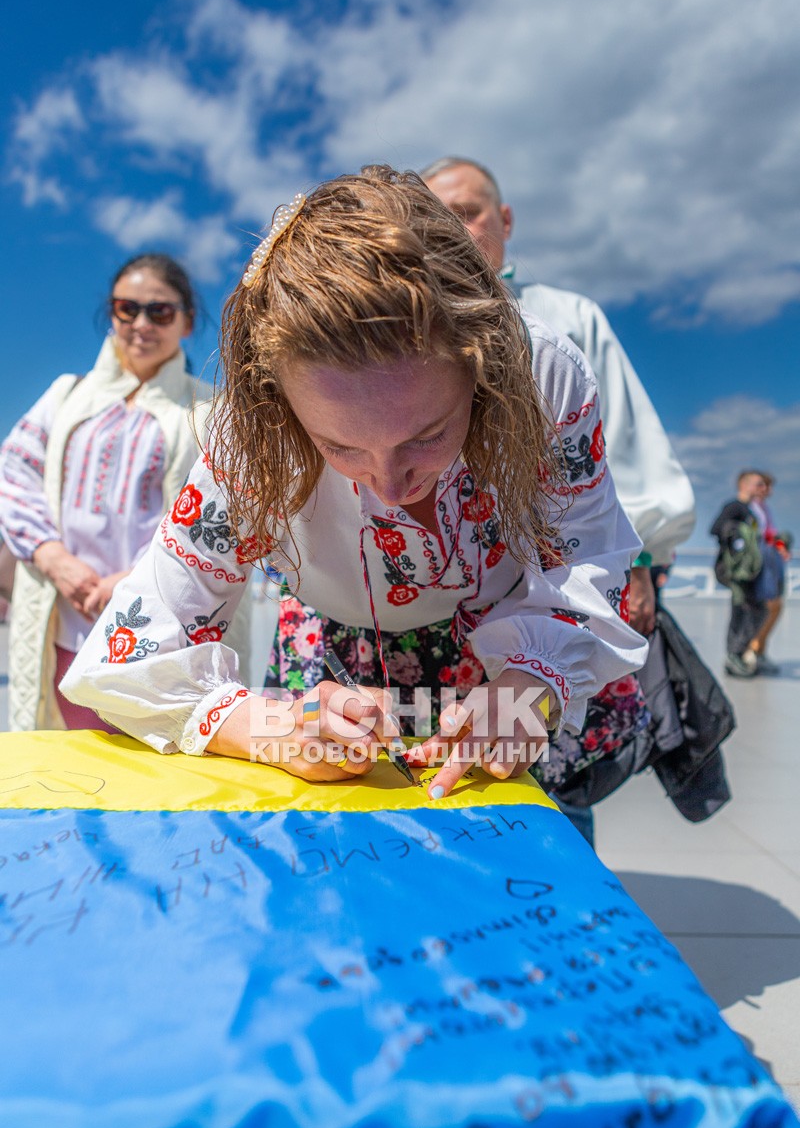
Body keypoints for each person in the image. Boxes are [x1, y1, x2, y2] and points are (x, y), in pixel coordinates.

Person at [62, 166, 647, 803]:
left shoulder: (542, 380)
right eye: (340, 446)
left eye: (427, 436)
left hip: (509, 648)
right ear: (279, 401)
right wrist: (268, 725)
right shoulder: (252, 432)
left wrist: (531, 685)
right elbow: (136, 644)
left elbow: (584, 556)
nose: (391, 487)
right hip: (329, 673)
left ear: (481, 369)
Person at [420, 156, 697, 834]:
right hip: (436, 602)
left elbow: (622, 444)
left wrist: (642, 562)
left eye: (470, 212)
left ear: (505, 220)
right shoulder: (408, 324)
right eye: (435, 218)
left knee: (553, 775)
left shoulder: (566, 317)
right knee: (444, 771)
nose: (455, 230)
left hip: (558, 582)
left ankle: (557, 918)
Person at [0, 253, 242, 731]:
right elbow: (14, 475)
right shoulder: (68, 395)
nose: (141, 323)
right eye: (126, 309)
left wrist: (134, 579)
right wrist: (55, 560)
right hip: (62, 619)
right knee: (62, 773)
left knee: (151, 778)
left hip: (161, 625)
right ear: (112, 314)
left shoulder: (210, 410)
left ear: (187, 322)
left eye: (160, 311)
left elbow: (226, 508)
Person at [710, 471, 769, 677]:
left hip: (749, 571)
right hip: (735, 571)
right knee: (741, 609)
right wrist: (737, 534)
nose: (763, 488)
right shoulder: (734, 506)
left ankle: (741, 651)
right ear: (744, 485)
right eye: (758, 484)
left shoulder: (751, 510)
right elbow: (716, 528)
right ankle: (733, 656)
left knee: (757, 609)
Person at [746, 471, 790, 674]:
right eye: (762, 485)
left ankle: (758, 648)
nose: (767, 490)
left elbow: (771, 536)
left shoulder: (764, 509)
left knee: (774, 605)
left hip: (770, 562)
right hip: (760, 566)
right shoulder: (749, 509)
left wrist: (780, 546)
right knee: (768, 605)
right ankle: (753, 648)